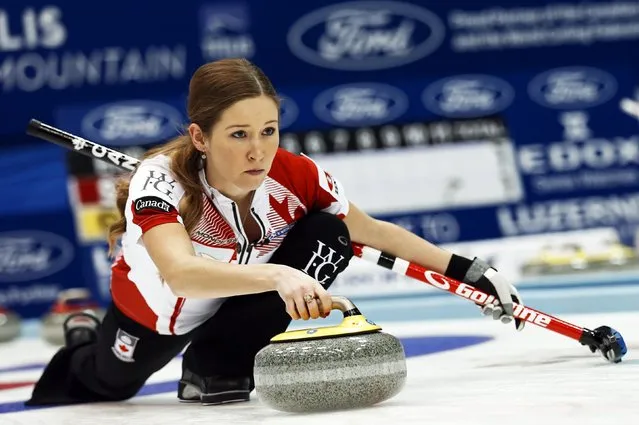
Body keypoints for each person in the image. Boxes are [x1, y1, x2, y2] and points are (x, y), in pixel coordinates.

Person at [25, 58, 524, 407]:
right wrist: (281, 277)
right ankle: (87, 339)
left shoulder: (295, 175)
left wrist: (470, 272)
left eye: (269, 130)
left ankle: (217, 366)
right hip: (156, 315)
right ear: (200, 136)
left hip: (238, 302)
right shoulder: (160, 180)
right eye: (238, 135)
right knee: (109, 386)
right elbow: (180, 275)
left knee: (331, 232)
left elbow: (370, 231)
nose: (257, 152)